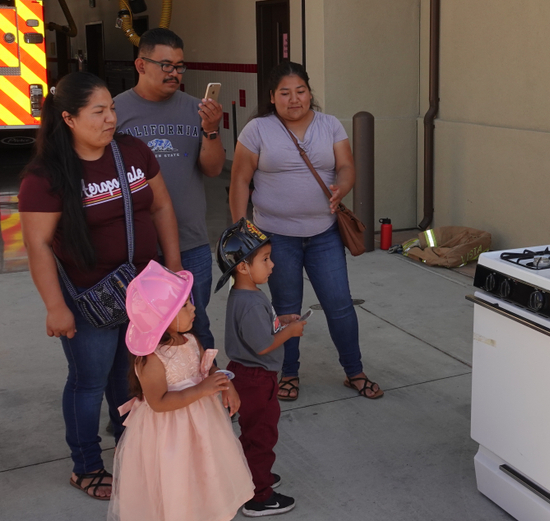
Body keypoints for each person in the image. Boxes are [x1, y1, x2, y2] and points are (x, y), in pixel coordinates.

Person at [19, 72, 182, 500]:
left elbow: (162, 206)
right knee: (89, 380)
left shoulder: (133, 151)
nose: (111, 117)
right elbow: (36, 245)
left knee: (128, 375)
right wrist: (56, 307)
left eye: (112, 108)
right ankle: (86, 465)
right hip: (88, 298)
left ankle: (131, 446)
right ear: (70, 119)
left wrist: (175, 269)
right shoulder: (46, 176)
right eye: (99, 111)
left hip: (143, 292)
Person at [228, 62, 382, 401]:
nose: (293, 99)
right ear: (272, 97)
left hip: (324, 235)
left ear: (310, 93)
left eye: (300, 91)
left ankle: (354, 371)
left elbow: (346, 166)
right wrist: (243, 234)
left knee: (339, 304)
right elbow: (239, 179)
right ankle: (290, 373)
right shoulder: (257, 129)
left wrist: (342, 186)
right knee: (286, 307)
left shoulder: (329, 126)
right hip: (275, 236)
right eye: (284, 93)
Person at [109, 260, 254, 521]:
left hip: (201, 426)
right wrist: (202, 390)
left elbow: (207, 368)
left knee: (204, 474)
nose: (194, 308)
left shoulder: (189, 339)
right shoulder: (152, 359)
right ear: (164, 317)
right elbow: (159, 402)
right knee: (177, 481)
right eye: (185, 305)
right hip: (170, 434)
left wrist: (226, 385)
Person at [114, 28, 225, 351]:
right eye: (166, 65)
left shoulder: (197, 109)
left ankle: (203, 396)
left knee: (195, 322)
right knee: (142, 330)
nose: (174, 73)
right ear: (141, 65)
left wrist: (211, 130)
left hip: (191, 242)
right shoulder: (116, 111)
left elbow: (214, 169)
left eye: (179, 66)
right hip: (137, 246)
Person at [215, 218, 305, 516]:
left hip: (246, 374)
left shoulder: (244, 295)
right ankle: (259, 494)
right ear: (242, 266)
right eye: (265, 259)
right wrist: (289, 333)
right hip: (256, 378)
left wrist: (282, 322)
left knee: (252, 433)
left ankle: (252, 476)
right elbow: (262, 345)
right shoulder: (252, 302)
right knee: (261, 435)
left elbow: (259, 331)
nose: (272, 265)